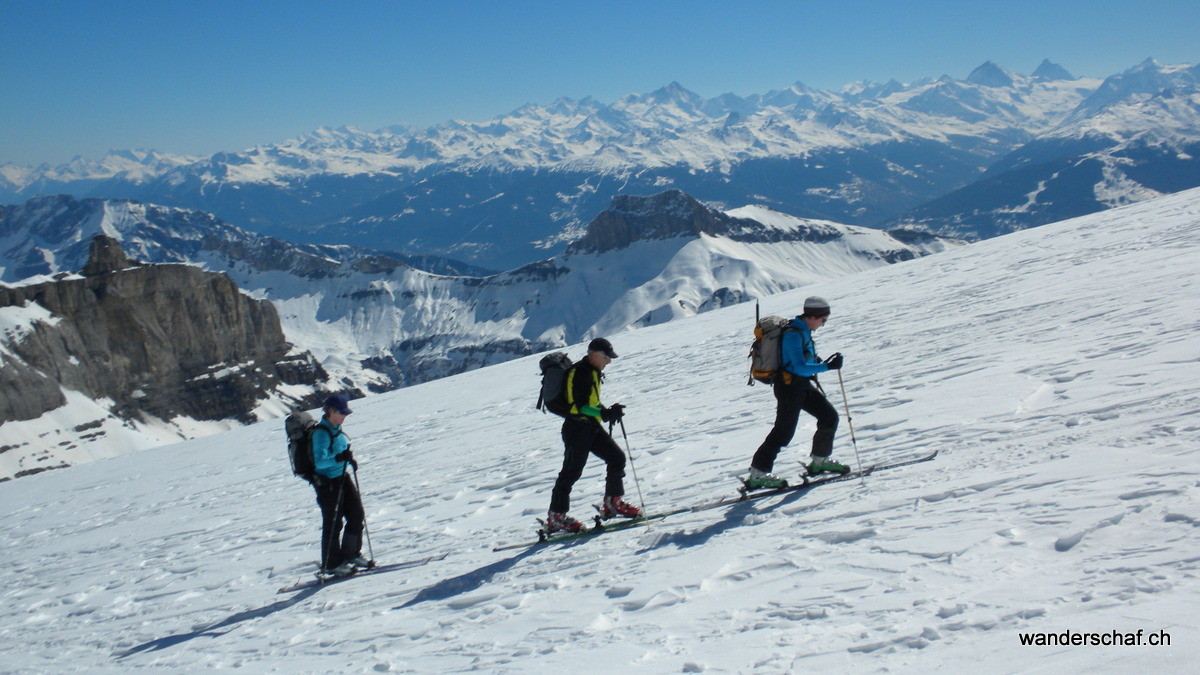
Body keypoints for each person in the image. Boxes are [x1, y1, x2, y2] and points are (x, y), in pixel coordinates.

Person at [746, 296, 848, 489]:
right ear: (813, 316)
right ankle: (757, 474)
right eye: (823, 320)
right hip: (789, 388)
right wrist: (827, 366)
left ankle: (819, 461)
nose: (823, 324)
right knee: (783, 433)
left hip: (799, 386)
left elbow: (803, 361)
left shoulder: (803, 330)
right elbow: (797, 367)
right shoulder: (794, 334)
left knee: (829, 417)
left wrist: (821, 363)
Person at [546, 338, 642, 533]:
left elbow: (590, 402)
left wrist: (607, 411)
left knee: (616, 458)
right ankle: (556, 516)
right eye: (606, 357)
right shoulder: (580, 372)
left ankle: (613, 503)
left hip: (590, 426)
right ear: (593, 355)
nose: (609, 361)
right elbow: (580, 407)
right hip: (576, 429)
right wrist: (605, 414)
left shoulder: (592, 371)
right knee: (571, 472)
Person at [311, 393, 367, 575]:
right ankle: (331, 564)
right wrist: (339, 458)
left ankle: (351, 554)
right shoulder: (321, 433)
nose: (345, 416)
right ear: (331, 411)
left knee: (357, 514)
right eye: (342, 413)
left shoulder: (336, 430)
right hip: (328, 484)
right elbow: (319, 462)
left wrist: (347, 459)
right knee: (333, 523)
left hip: (342, 477)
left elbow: (339, 452)